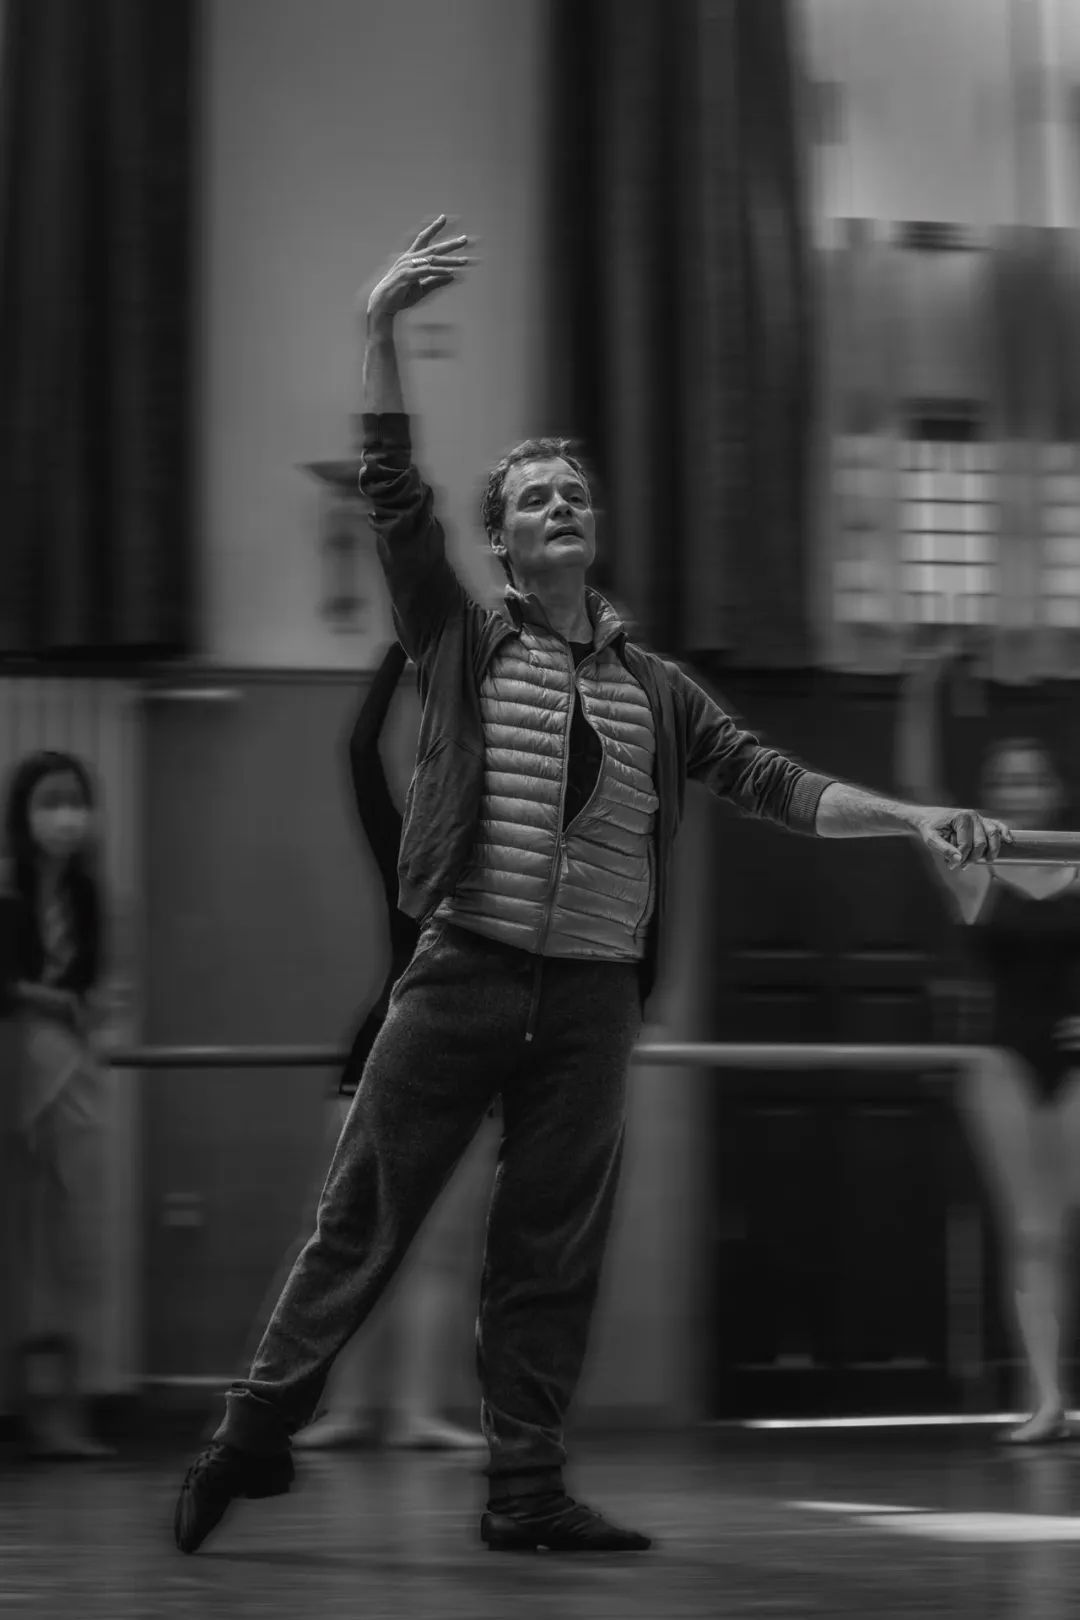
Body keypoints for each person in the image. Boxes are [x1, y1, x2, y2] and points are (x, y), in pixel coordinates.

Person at [174, 215, 1010, 1557]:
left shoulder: (657, 692)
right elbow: (395, 497)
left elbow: (778, 784)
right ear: (504, 544)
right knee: (361, 1216)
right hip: (462, 966)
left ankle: (525, 1491)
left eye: (575, 494)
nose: (562, 506)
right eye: (535, 500)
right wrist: (377, 327)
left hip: (590, 1001)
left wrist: (914, 819)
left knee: (549, 1253)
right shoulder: (458, 640)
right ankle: (253, 1433)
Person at [264, 639, 488, 1453]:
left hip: (464, 1073)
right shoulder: (407, 858)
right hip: (377, 1065)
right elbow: (361, 751)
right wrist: (400, 651)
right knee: (350, 1242)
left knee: (439, 1253)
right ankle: (354, 1410)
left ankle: (416, 1412)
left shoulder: (510, 873)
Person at [899, 642, 1080, 1445]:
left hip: (1075, 1062)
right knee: (1033, 1235)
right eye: (1004, 781)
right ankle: (1048, 1400)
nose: (1018, 790)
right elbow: (917, 791)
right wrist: (922, 685)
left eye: (1030, 779)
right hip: (1003, 1059)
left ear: (1053, 790)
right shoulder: (972, 870)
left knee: (1068, 1230)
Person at [1, 749, 113, 1460]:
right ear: (24, 812)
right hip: (16, 1065)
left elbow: (90, 983)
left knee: (74, 1243)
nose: (66, 816)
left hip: (70, 1068)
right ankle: (22, 1409)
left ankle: (68, 1413)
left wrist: (60, 1004)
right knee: (18, 1243)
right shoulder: (7, 890)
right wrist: (49, 1000)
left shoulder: (87, 894)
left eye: (76, 801)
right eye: (51, 801)